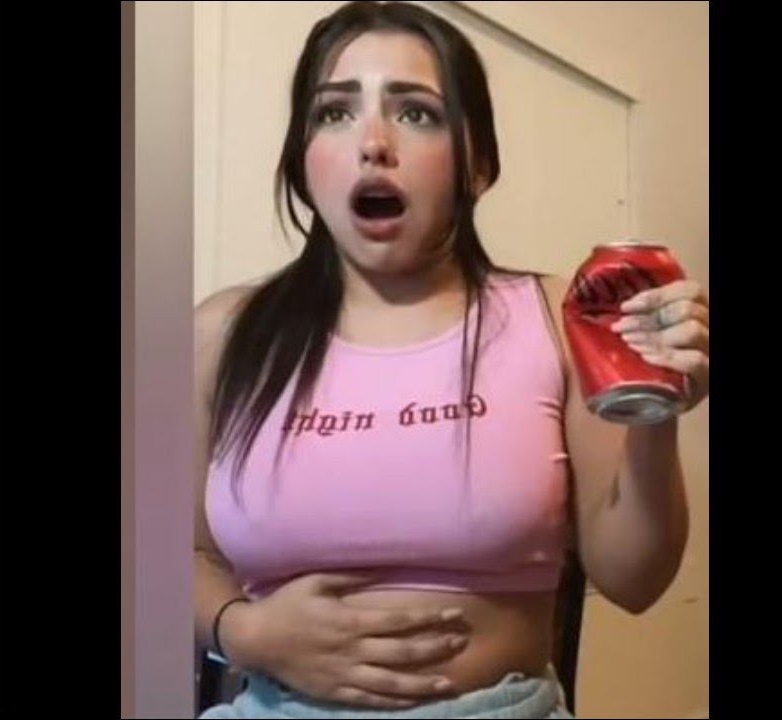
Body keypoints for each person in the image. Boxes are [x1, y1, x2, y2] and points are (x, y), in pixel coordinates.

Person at [193, 2, 709, 717]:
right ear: (303, 160)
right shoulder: (222, 334)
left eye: (416, 113)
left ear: (479, 165)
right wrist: (243, 632)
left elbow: (636, 582)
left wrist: (655, 410)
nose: (373, 142)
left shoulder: (557, 318)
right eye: (335, 113)